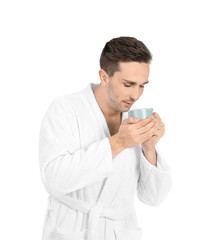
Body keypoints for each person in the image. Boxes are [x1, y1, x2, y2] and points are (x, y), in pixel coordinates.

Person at [39, 36, 172, 240]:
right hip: (72, 231)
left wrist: (149, 148)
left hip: (122, 232)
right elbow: (54, 180)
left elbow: (153, 198)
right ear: (104, 77)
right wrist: (119, 142)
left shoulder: (134, 118)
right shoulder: (65, 109)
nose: (136, 95)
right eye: (128, 84)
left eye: (142, 85)